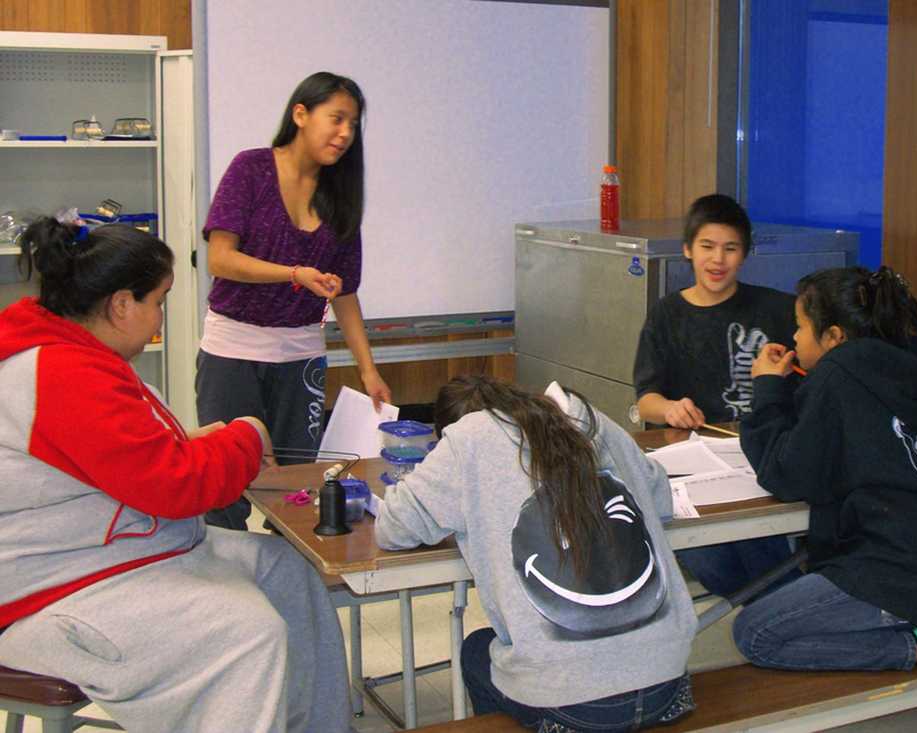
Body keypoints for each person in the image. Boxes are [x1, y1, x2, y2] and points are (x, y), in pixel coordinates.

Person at [0, 217, 353, 732]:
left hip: (121, 556)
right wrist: (248, 437)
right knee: (249, 632)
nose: (160, 319)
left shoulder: (76, 354)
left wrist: (204, 442)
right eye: (158, 301)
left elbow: (132, 455)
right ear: (121, 304)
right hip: (57, 591)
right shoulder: (59, 372)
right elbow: (177, 485)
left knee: (289, 572)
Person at [375, 375, 697, 733]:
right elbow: (659, 497)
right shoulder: (589, 418)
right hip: (667, 684)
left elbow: (392, 529)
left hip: (575, 709)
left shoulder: (468, 439)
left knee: (477, 649)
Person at [733, 266, 917, 671]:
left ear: (833, 337)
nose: (793, 337)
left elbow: (786, 475)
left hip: (891, 569)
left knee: (754, 634)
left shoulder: (838, 375)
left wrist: (767, 388)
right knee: (775, 611)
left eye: (800, 327)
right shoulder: (886, 370)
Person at [197, 71, 391, 530]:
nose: (345, 133)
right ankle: (225, 589)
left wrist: (369, 370)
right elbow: (220, 260)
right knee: (227, 483)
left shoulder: (340, 196)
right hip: (232, 351)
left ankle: (289, 584)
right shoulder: (251, 169)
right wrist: (293, 275)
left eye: (353, 124)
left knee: (298, 488)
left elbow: (343, 292)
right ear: (300, 114)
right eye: (336, 118)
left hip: (301, 357)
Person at [633, 193, 800, 598]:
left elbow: (810, 373)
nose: (717, 260)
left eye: (730, 248)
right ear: (688, 250)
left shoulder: (778, 308)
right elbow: (645, 400)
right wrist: (671, 409)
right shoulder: (667, 313)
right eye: (707, 246)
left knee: (760, 538)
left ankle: (781, 608)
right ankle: (781, 607)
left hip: (761, 455)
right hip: (693, 464)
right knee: (708, 554)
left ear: (745, 254)